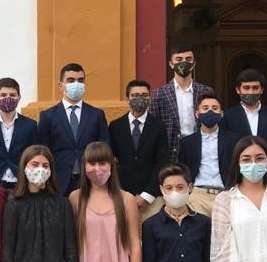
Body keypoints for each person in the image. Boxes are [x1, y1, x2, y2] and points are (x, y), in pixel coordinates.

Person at [36, 63, 110, 194]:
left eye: (80, 80)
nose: (76, 84)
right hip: (58, 181)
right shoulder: (47, 116)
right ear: (61, 85)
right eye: (70, 80)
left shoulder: (97, 114)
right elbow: (43, 150)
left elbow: (104, 148)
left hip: (90, 181)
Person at [108, 79, 168, 221]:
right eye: (135, 95)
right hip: (122, 195)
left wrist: (147, 195)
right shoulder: (115, 126)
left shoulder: (159, 126)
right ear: (127, 98)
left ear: (150, 98)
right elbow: (111, 161)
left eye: (144, 95)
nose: (140, 99)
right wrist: (120, 192)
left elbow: (162, 162)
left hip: (152, 197)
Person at [178, 92, 239, 217]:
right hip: (197, 195)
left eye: (215, 108)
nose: (210, 111)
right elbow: (183, 170)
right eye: (205, 108)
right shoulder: (187, 142)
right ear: (197, 114)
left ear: (221, 114)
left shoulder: (234, 140)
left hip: (227, 194)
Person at [149, 44, 212, 162]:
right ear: (171, 64)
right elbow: (153, 127)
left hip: (200, 149)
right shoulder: (159, 94)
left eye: (188, 59)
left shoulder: (205, 91)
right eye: (179, 59)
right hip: (170, 152)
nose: (184, 62)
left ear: (194, 64)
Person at [220, 69, 267, 180]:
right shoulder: (227, 117)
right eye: (246, 88)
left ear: (262, 90)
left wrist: (266, 169)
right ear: (238, 90)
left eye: (255, 88)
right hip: (238, 178)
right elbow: (225, 152)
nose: (251, 92)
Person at [0, 77, 38, 190]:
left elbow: (33, 155)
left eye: (12, 95)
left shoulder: (30, 125)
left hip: (20, 183)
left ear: (19, 98)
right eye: (3, 95)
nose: (8, 98)